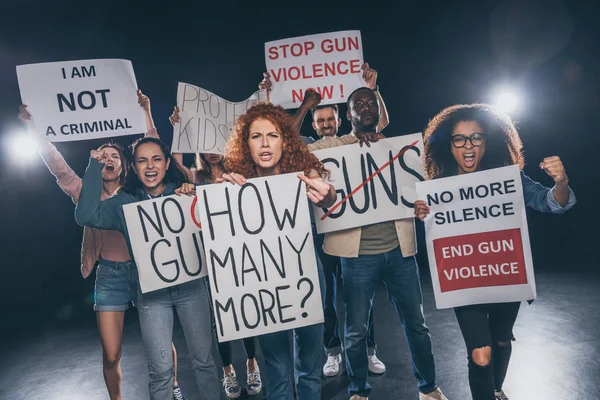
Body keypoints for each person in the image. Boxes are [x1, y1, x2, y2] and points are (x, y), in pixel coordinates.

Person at [17, 91, 187, 400]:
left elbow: (152, 145)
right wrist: (33, 126)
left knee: (161, 345)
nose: (107, 159)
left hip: (146, 272)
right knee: (111, 354)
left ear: (125, 166)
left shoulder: (138, 192)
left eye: (114, 156)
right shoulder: (85, 191)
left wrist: (146, 110)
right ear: (95, 161)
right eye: (102, 155)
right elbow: (55, 163)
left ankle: (173, 387)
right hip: (109, 277)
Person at [414, 104, 576, 400]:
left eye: (476, 137)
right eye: (459, 139)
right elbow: (432, 235)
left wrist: (561, 182)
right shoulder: (437, 188)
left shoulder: (508, 178)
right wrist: (422, 213)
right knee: (481, 354)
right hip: (465, 283)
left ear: (487, 142)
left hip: (505, 276)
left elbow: (552, 202)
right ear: (448, 146)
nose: (468, 145)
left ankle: (496, 389)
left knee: (501, 343)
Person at [306, 87, 448, 400]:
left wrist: (422, 205)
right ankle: (358, 390)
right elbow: (298, 152)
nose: (367, 107)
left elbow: (418, 191)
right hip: (356, 257)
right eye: (359, 104)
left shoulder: (395, 147)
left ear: (378, 111)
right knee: (355, 332)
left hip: (400, 251)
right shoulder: (334, 147)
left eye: (372, 102)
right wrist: (306, 105)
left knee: (417, 325)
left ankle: (428, 388)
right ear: (349, 115)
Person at [259, 63, 389, 377]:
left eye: (331, 119)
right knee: (328, 298)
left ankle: (368, 350)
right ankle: (333, 351)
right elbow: (284, 137)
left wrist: (372, 89)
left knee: (360, 297)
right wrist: (304, 106)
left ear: (340, 120)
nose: (327, 124)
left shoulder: (352, 142)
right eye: (321, 121)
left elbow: (380, 124)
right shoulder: (308, 149)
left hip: (353, 228)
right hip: (319, 233)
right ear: (315, 126)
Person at [75, 136, 221, 400]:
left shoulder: (183, 193)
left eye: (156, 160)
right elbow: (85, 215)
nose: (150, 166)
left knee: (205, 362)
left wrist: (194, 194)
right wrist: (94, 166)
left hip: (191, 290)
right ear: (134, 165)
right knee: (161, 372)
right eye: (142, 160)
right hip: (152, 297)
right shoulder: (124, 203)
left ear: (166, 164)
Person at [220, 102, 336, 400]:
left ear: (285, 140)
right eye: (256, 136)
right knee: (276, 366)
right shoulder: (236, 182)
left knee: (309, 366)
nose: (265, 143)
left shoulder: (303, 171)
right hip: (263, 285)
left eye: (272, 135)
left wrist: (326, 194)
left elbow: (329, 194)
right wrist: (222, 193)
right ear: (246, 144)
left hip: (306, 276)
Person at [169, 104, 263, 398]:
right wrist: (178, 129)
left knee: (245, 312)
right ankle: (228, 372)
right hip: (210, 259)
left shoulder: (240, 172)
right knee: (220, 320)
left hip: (239, 254)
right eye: (204, 145)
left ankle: (251, 363)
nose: (211, 151)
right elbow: (174, 162)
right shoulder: (195, 177)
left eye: (215, 143)